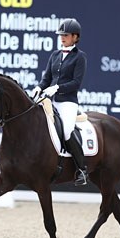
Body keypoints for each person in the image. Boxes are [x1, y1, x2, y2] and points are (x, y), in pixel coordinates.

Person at [32, 18, 88, 186]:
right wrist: (39, 87)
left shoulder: (80, 57)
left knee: (67, 131)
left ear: (75, 37)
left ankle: (82, 169)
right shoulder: (54, 55)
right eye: (61, 34)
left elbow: (76, 83)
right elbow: (47, 78)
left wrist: (57, 88)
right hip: (49, 100)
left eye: (66, 35)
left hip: (67, 102)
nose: (62, 37)